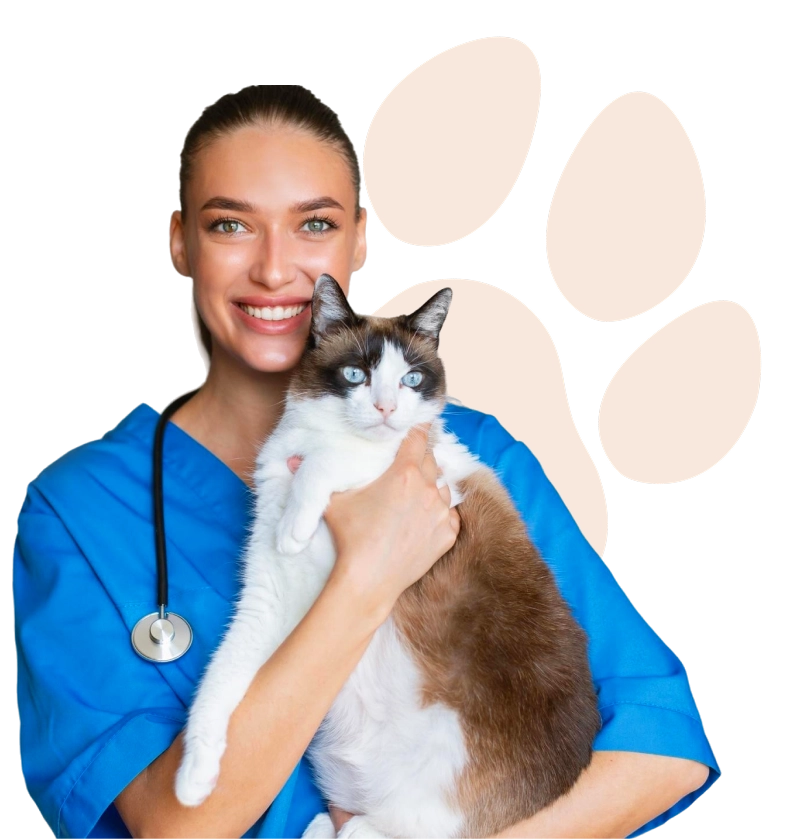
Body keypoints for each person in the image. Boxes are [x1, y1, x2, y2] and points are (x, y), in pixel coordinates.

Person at [13, 83, 720, 839]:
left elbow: (660, 745)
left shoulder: (473, 456)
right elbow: (174, 827)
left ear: (357, 242)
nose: (276, 269)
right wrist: (369, 570)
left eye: (314, 224)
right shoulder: (79, 510)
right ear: (179, 241)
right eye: (230, 226)